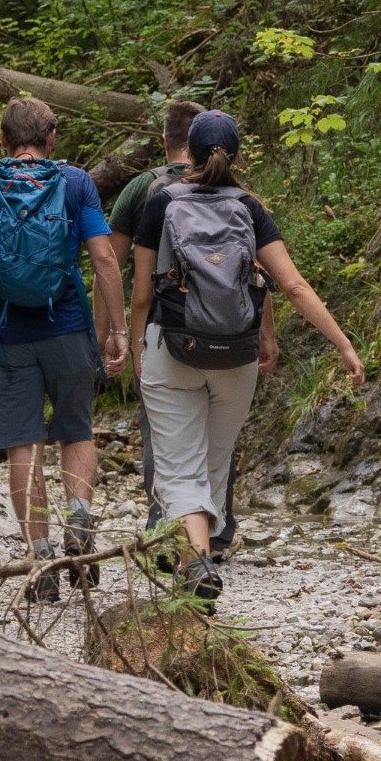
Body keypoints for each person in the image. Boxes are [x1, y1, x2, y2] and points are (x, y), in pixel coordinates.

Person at [131, 109, 365, 600]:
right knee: (216, 460)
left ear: (186, 152)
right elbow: (292, 285)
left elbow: (140, 293)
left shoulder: (161, 201)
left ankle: (194, 560)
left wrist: (137, 346)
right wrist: (343, 344)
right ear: (236, 155)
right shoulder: (250, 207)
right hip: (235, 355)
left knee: (177, 467)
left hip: (172, 347)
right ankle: (205, 553)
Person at [0, 96, 127, 602]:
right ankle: (80, 522)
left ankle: (41, 559)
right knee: (76, 429)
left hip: (7, 335)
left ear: (3, 141)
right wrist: (116, 329)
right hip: (68, 327)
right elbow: (104, 261)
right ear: (52, 139)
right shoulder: (75, 183)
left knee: (24, 444)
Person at [110, 100, 276, 555]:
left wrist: (123, 335)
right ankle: (216, 537)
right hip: (234, 340)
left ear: (169, 141)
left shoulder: (146, 191)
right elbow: (260, 279)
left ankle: (169, 535)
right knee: (216, 449)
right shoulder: (246, 203)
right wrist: (266, 334)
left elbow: (114, 265)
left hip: (172, 333)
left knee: (169, 447)